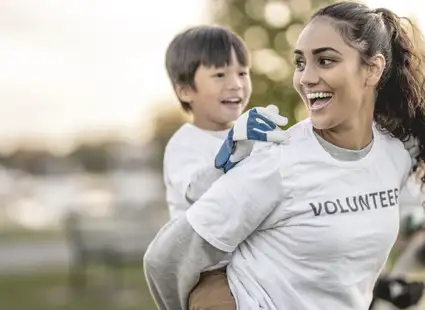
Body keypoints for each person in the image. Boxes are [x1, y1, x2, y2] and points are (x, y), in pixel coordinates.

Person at [144, 2, 425, 309]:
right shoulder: (277, 163)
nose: (305, 78)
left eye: (325, 61)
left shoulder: (396, 152)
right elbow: (165, 259)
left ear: (373, 68)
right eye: (301, 63)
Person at [160, 25, 288, 310]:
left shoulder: (254, 134)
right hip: (212, 268)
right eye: (220, 75)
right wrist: (229, 156)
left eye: (242, 72)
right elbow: (195, 192)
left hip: (261, 256)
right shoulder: (185, 143)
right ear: (185, 90)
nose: (236, 84)